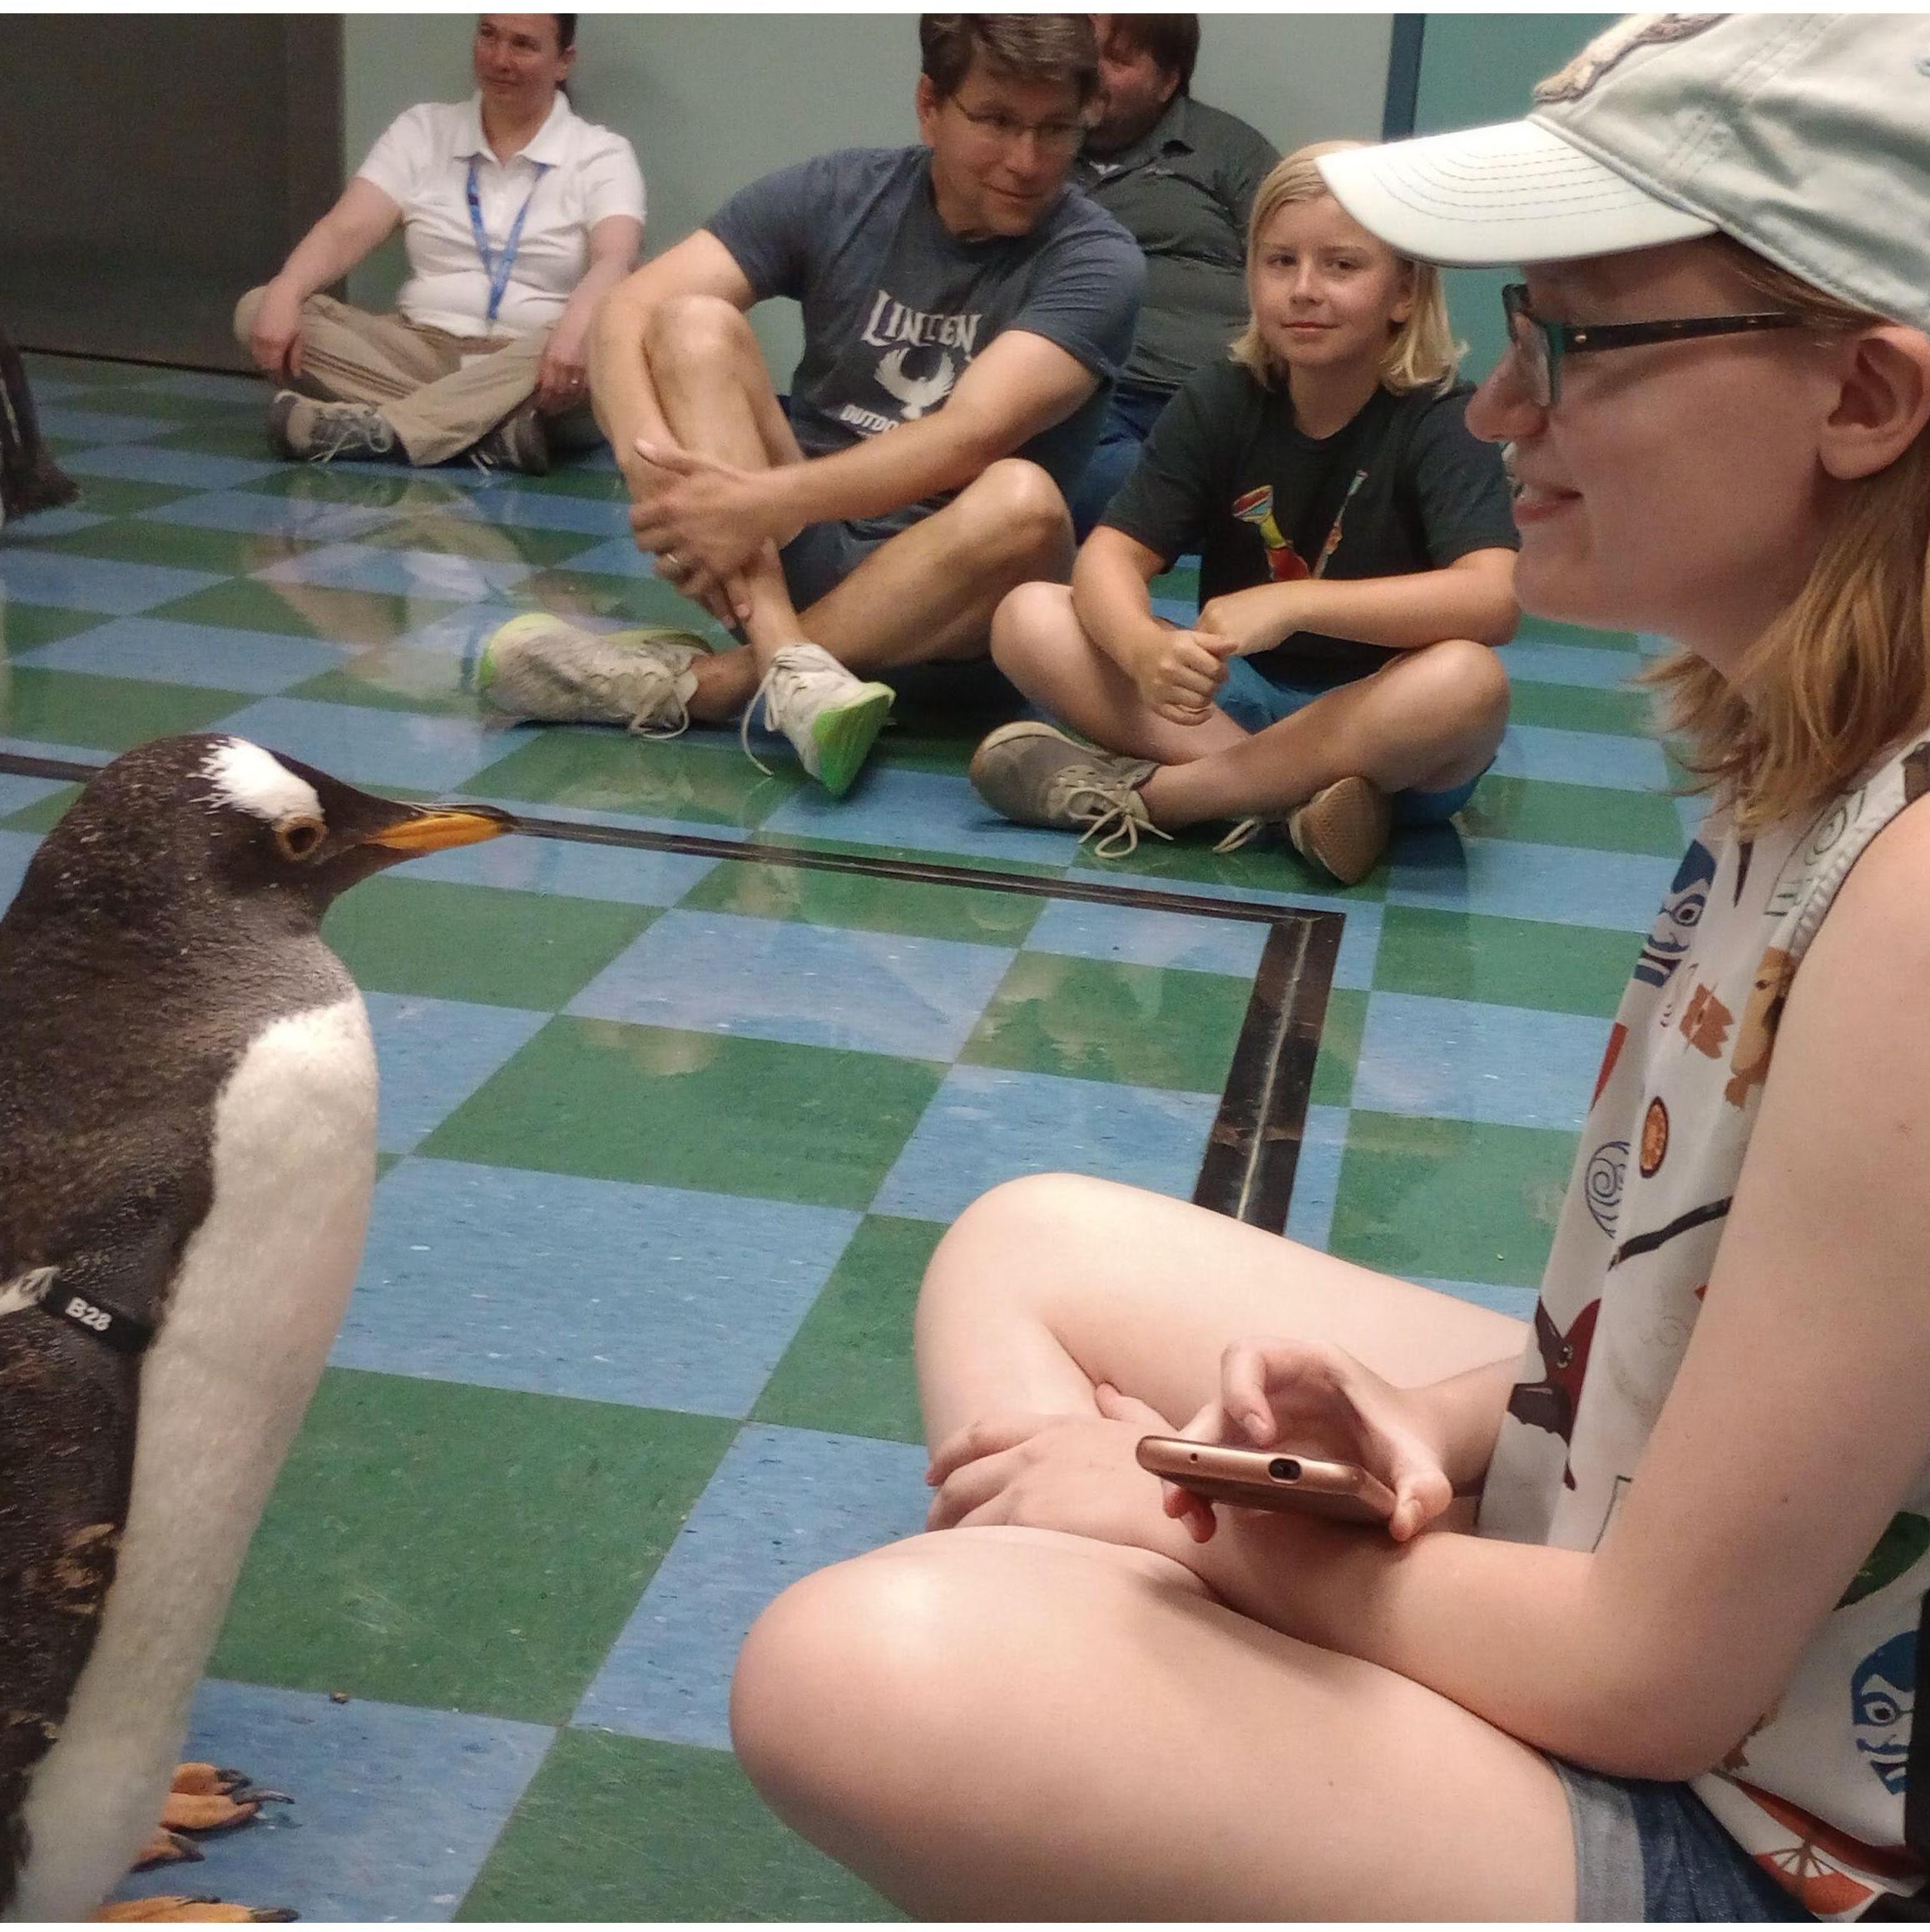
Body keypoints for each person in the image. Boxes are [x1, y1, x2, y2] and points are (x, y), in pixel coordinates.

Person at [725, 13, 1930, 1920]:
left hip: (1756, 1830)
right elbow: (1647, 1331)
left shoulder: (1918, 895)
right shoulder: (1811, 755)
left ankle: (1124, 1661)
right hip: (1611, 1555)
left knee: (860, 1670)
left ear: (1863, 399)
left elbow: (1652, 1673)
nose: (1502, 405)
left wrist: (1202, 1535)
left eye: (1575, 339)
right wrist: (1401, 1433)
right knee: (1020, 1239)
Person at [476, 14, 1144, 799]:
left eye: (1056, 130)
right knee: (692, 323)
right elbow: (625, 310)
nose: (1027, 161)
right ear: (930, 105)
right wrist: (661, 481)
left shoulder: (1100, 260)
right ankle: (790, 668)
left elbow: (968, 437)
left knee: (1023, 498)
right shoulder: (843, 192)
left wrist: (746, 504)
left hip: (965, 619)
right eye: (996, 121)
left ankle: (716, 684)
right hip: (789, 568)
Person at [970, 141, 1517, 886]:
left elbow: (1493, 597)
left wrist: (1295, 602)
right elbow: (1109, 557)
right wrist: (1139, 648)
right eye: (1279, 261)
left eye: (1342, 265)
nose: (1305, 289)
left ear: (1405, 292)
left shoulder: (1447, 416)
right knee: (1029, 613)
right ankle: (1293, 806)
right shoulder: (1221, 399)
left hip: (1390, 736)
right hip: (1233, 704)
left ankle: (1164, 799)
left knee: (1469, 680)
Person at [235, 14, 644, 476]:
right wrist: (287, 289)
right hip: (423, 349)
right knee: (259, 308)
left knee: (601, 351)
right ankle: (487, 437)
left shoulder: (601, 153)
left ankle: (388, 428)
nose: (499, 59)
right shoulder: (423, 131)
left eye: (523, 45)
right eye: (488, 35)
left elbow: (616, 260)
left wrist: (573, 333)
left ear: (562, 62)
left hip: (536, 360)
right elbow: (344, 231)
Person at [1066, 14, 1279, 537]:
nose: (1090, 71)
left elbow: (1296, 252)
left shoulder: (1229, 148)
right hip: (1095, 392)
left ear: (1167, 81)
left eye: (1115, 60)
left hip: (1221, 391)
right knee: (1078, 468)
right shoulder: (1035, 149)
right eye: (1081, 51)